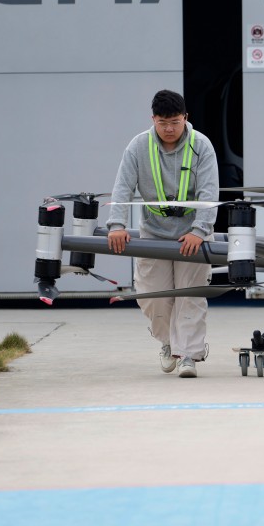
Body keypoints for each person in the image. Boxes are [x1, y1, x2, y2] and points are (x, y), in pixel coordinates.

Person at [107, 90, 219, 378]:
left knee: (190, 296)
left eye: (175, 122)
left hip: (193, 236)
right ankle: (170, 344)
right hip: (153, 233)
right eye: (163, 122)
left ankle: (190, 355)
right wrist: (116, 225)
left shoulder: (201, 146)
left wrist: (200, 230)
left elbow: (209, 192)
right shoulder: (138, 146)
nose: (169, 129)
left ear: (186, 118)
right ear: (153, 120)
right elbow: (122, 188)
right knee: (153, 296)